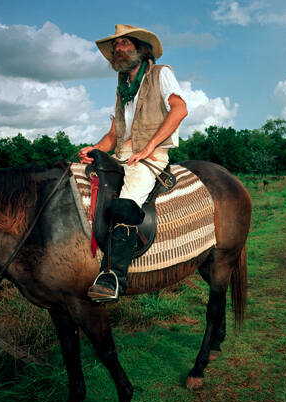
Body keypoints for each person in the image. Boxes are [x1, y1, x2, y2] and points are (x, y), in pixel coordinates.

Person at [79, 24, 188, 302]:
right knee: (81, 176)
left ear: (141, 48)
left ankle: (114, 277)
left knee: (125, 204)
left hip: (151, 156)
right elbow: (114, 134)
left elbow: (180, 109)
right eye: (116, 46)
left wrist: (150, 147)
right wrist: (96, 148)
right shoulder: (123, 87)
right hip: (122, 154)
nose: (119, 49)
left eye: (125, 43)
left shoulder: (161, 74)